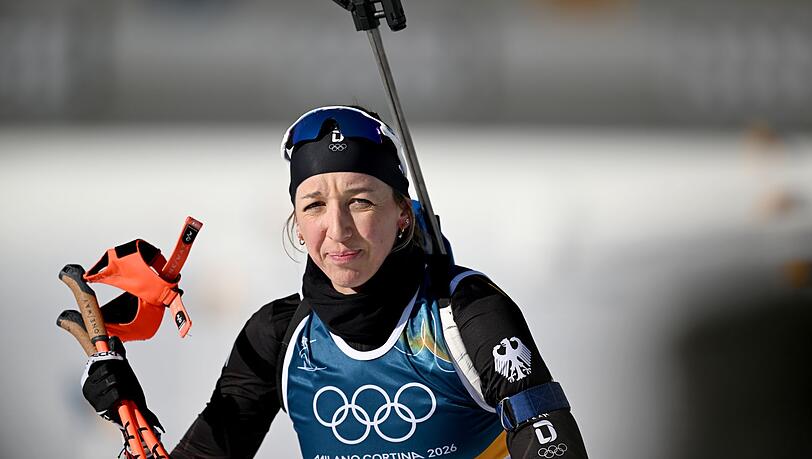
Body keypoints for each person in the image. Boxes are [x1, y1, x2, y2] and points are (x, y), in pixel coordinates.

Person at [82, 105, 589, 458]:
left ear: (402, 217)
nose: (338, 229)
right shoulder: (278, 336)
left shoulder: (466, 314)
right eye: (315, 206)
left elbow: (548, 438)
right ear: (297, 224)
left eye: (362, 201)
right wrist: (128, 418)